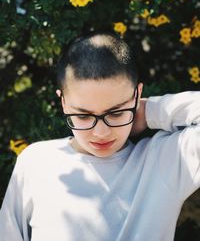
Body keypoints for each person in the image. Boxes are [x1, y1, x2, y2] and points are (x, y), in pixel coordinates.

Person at [0, 32, 199, 241]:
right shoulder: (36, 161)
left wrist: (151, 111)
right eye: (84, 115)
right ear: (63, 103)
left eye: (115, 113)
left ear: (137, 96)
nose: (101, 133)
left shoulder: (165, 161)